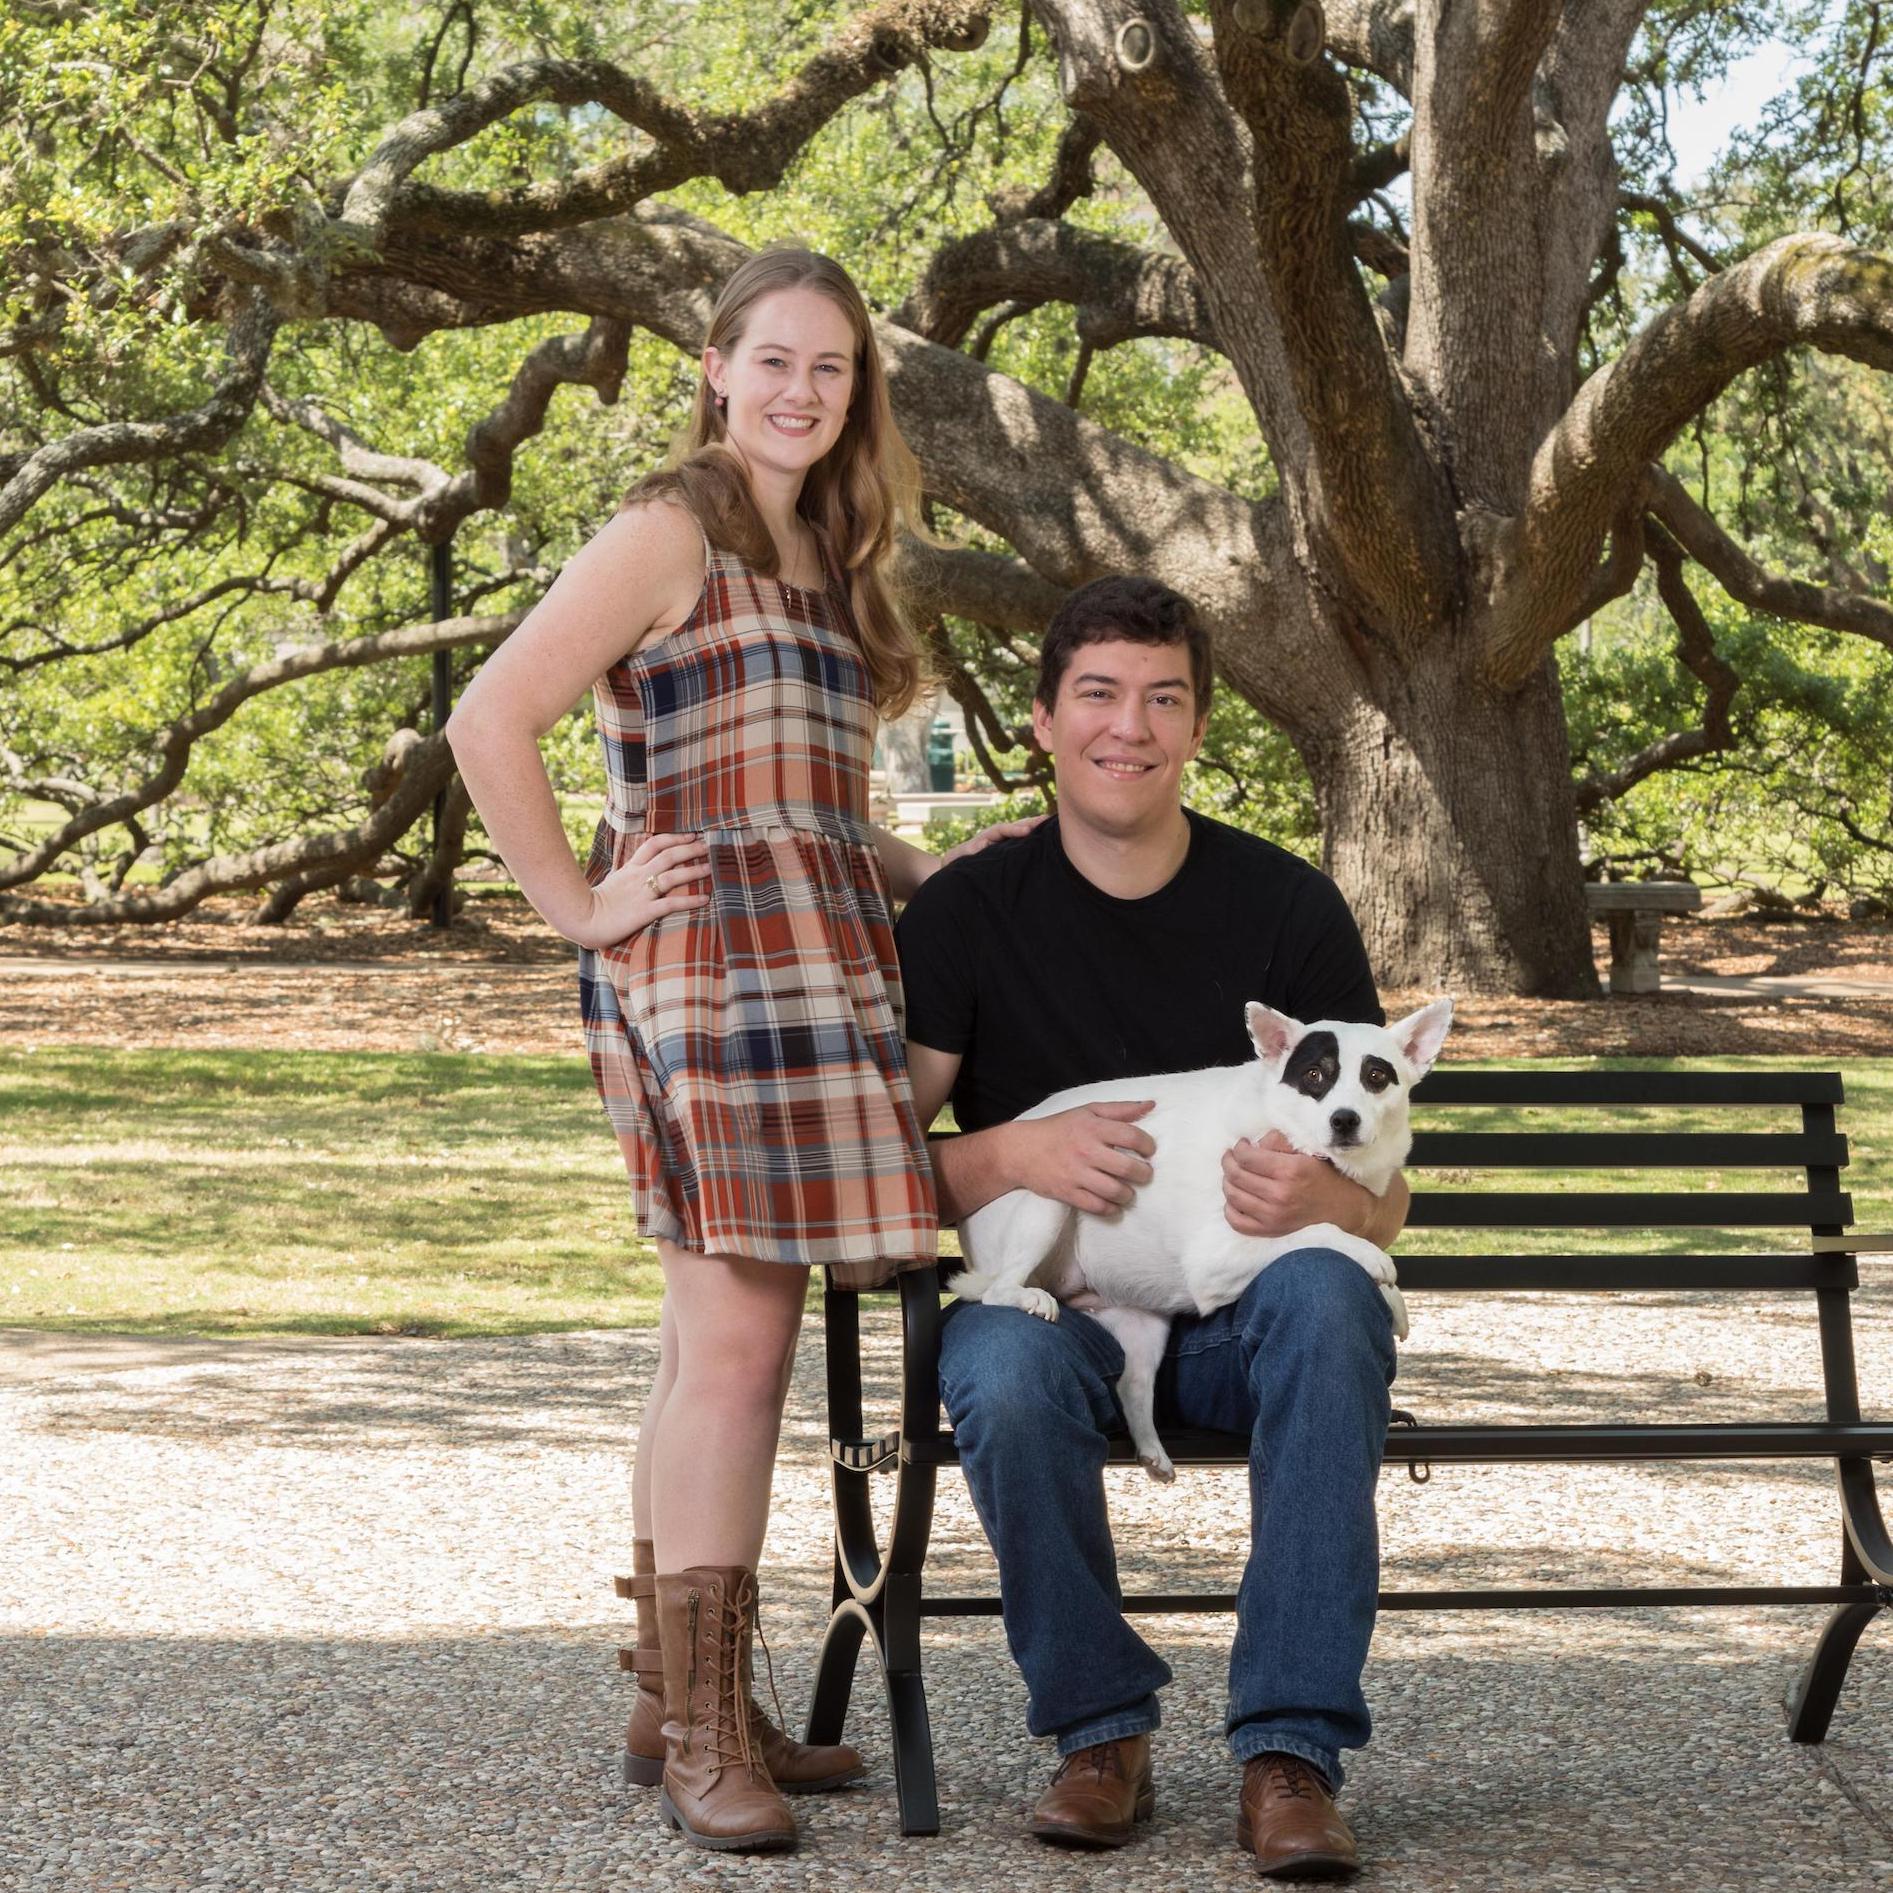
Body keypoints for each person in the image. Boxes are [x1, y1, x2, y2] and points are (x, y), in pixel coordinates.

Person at [447, 246, 1027, 1855]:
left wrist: (956, 874)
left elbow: (817, 814)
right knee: (740, 1347)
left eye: (830, 370)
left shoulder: (824, 546)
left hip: (820, 961)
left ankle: (670, 1691)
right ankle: (710, 1728)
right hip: (703, 972)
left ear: (857, 393)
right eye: (773, 360)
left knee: (702, 1345)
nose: (800, 391)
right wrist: (577, 904)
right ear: (714, 364)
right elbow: (488, 719)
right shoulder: (666, 530)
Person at [895, 575, 1411, 1879]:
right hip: (1061, 1306)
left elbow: (1386, 1190)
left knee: (1332, 1299)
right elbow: (871, 1164)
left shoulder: (1287, 910)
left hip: (1244, 1317)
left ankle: (1288, 1752)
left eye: (1162, 698)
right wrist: (1011, 1151)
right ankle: (1097, 1728)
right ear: (1040, 720)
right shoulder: (967, 910)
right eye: (1098, 694)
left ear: (1195, 729)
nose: (1128, 726)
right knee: (999, 1371)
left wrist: (1331, 1200)